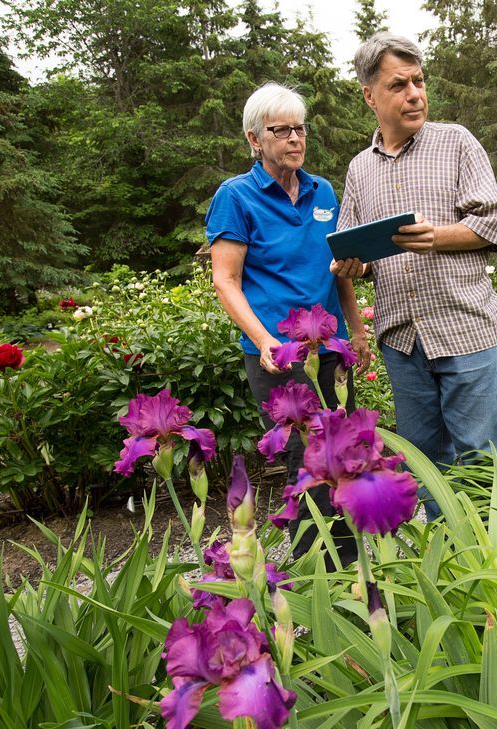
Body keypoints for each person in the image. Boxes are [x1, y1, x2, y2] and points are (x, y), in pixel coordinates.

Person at [331, 33, 497, 519]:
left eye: (419, 81)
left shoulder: (456, 142)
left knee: (483, 460)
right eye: (399, 85)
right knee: (423, 464)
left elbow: (493, 223)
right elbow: (354, 242)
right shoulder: (359, 169)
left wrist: (438, 235)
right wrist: (354, 263)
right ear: (370, 95)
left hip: (462, 327)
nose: (415, 93)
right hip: (402, 340)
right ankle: (450, 561)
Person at [207, 82, 370, 566]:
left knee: (344, 452)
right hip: (278, 357)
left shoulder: (323, 192)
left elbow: (338, 270)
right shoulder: (236, 196)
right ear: (255, 140)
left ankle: (353, 572)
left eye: (300, 129)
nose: (296, 139)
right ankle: (315, 582)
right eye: (283, 131)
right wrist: (263, 341)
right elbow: (226, 281)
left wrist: (356, 330)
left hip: (329, 347)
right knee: (308, 462)